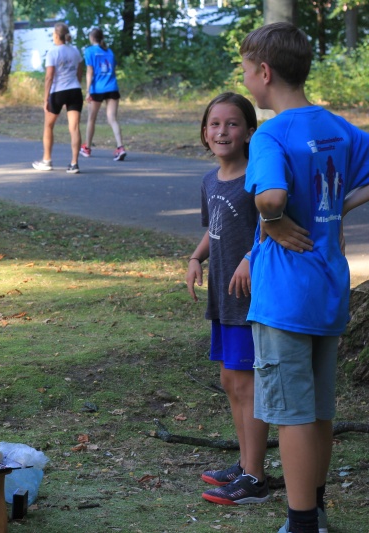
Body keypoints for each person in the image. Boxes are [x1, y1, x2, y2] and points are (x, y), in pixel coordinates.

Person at [240, 22, 369, 533]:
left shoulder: (272, 132)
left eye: (247, 71)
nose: (247, 79)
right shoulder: (338, 127)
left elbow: (270, 197)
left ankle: (300, 523)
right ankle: (315, 511)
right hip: (328, 289)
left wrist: (272, 221)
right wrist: (336, 207)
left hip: (285, 295)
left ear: (264, 73)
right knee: (319, 410)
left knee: (291, 412)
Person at [185, 92, 270, 506]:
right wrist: (196, 257)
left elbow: (274, 226)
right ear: (204, 132)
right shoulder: (210, 180)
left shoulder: (257, 177)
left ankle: (254, 477)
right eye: (215, 124)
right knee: (229, 380)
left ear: (249, 132)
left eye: (233, 123)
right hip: (221, 298)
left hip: (248, 300)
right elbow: (213, 227)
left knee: (245, 383)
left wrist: (251, 257)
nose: (222, 131)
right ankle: (245, 462)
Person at [32, 22, 84, 174]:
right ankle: (74, 163)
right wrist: (76, 84)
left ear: (56, 35)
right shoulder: (75, 51)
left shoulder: (52, 52)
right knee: (74, 128)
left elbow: (49, 77)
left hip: (58, 91)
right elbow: (80, 70)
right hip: (74, 90)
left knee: (48, 126)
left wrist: (45, 98)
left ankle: (47, 160)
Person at [80, 28, 126, 162]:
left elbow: (90, 72)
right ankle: (120, 147)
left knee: (91, 119)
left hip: (97, 89)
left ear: (91, 37)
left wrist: (88, 90)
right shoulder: (109, 52)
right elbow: (113, 70)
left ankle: (87, 148)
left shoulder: (89, 51)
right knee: (112, 118)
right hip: (112, 87)